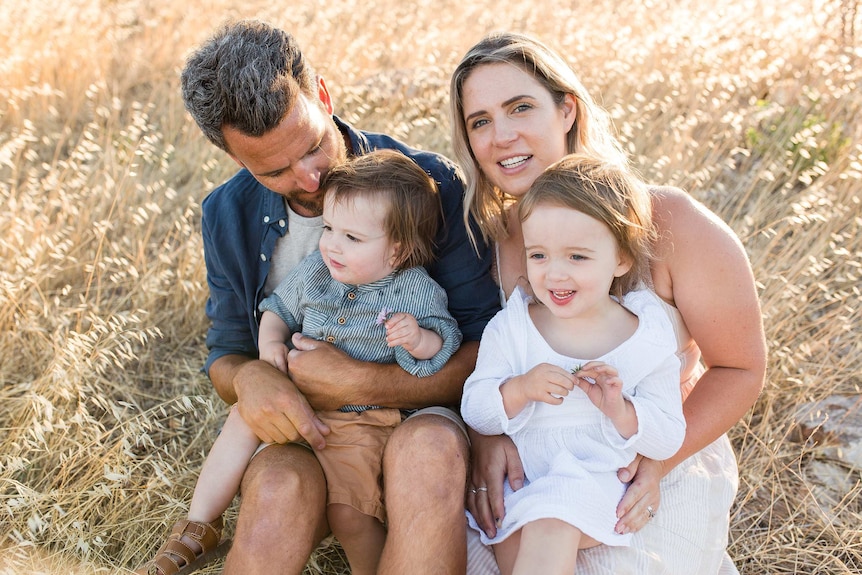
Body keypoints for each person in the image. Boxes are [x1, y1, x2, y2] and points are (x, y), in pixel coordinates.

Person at [173, 19, 500, 575]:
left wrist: (363, 380)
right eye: (274, 169)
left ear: (322, 95)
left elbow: (485, 345)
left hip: (419, 418)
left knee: (427, 456)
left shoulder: (425, 186)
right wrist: (250, 377)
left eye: (312, 146)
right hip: (311, 430)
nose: (308, 178)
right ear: (235, 158)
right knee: (277, 488)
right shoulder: (225, 215)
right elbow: (225, 352)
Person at [449, 32, 767, 574]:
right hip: (536, 460)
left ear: (567, 109)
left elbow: (741, 367)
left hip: (650, 449)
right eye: (479, 121)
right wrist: (486, 435)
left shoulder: (671, 221)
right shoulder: (485, 237)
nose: (501, 136)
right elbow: (492, 361)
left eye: (520, 107)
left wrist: (657, 460)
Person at [135, 150, 462, 575]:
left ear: (397, 252)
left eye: (352, 238)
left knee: (351, 515)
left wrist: (418, 339)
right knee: (242, 418)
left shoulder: (414, 291)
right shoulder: (317, 270)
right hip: (296, 396)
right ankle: (198, 525)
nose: (331, 244)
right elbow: (279, 308)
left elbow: (445, 343)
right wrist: (269, 343)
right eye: (329, 228)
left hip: (359, 420)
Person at [461, 154, 687, 574]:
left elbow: (669, 436)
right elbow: (475, 407)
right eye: (539, 255)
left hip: (594, 479)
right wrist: (520, 389)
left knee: (551, 525)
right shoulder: (513, 327)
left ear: (620, 259)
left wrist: (622, 411)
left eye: (577, 257)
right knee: (517, 550)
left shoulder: (643, 337)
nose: (555, 275)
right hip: (522, 478)